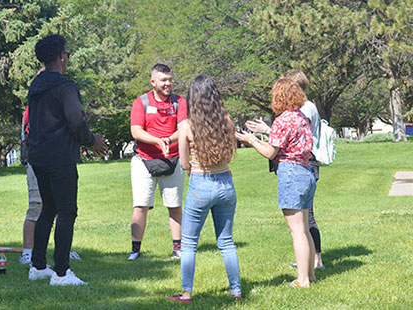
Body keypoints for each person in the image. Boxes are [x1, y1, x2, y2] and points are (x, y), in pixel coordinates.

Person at [26, 34, 108, 286]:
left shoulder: (35, 86)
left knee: (47, 209)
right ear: (61, 57)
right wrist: (92, 140)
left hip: (38, 156)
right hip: (60, 157)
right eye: (67, 54)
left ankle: (38, 266)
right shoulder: (65, 87)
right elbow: (76, 119)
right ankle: (62, 272)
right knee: (66, 211)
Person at [236, 79, 316, 288]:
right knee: (305, 228)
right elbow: (285, 140)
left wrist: (252, 141)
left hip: (291, 173)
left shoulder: (283, 120)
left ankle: (302, 280)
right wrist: (267, 130)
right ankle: (311, 274)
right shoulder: (301, 117)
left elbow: (272, 152)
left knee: (296, 231)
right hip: (306, 172)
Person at [169, 75, 241, 303]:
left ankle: (186, 293)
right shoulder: (227, 121)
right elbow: (230, 152)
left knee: (189, 243)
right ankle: (236, 291)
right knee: (227, 242)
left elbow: (183, 163)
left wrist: (192, 167)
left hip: (200, 184)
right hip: (226, 184)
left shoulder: (186, 126)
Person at [128, 63, 187, 261]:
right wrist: (157, 141)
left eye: (170, 80)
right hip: (144, 159)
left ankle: (178, 248)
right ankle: (135, 250)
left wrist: (168, 140)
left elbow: (183, 129)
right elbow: (136, 131)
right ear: (153, 82)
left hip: (172, 158)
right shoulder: (141, 102)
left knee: (174, 205)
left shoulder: (179, 102)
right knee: (140, 206)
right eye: (163, 80)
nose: (168, 84)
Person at [19, 105, 81, 265]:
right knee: (36, 205)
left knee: (63, 208)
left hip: (59, 161)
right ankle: (27, 253)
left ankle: (63, 250)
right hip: (38, 160)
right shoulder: (33, 109)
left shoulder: (60, 107)